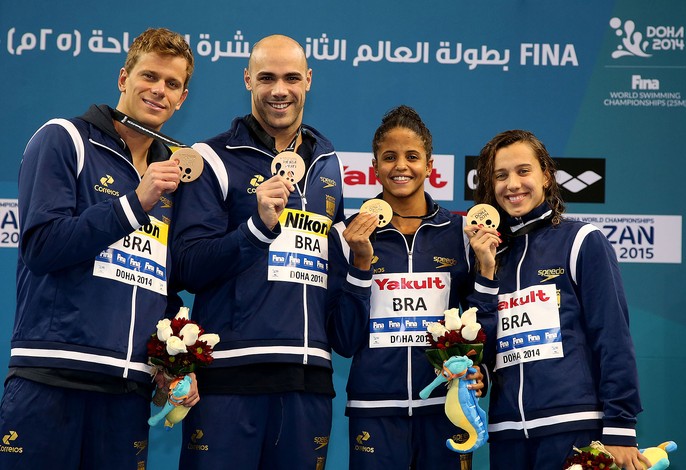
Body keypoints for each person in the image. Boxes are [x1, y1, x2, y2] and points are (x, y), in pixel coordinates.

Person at [0, 28, 198, 469]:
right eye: (149, 76)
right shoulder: (64, 138)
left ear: (182, 99)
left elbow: (157, 279)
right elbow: (42, 246)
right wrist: (134, 203)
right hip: (53, 378)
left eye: (172, 84)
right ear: (123, 77)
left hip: (127, 392)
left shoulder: (172, 176)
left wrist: (173, 361)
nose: (158, 91)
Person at [171, 34, 367, 469]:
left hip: (309, 380)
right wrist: (256, 228)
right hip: (231, 378)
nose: (280, 90)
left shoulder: (328, 164)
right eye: (267, 78)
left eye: (292, 78)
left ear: (309, 81)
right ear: (247, 80)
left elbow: (329, 271)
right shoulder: (211, 158)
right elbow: (186, 266)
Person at [327, 105, 497, 469]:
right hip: (374, 410)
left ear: (430, 164)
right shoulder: (348, 235)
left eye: (412, 156)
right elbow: (343, 341)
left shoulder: (461, 233)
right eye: (389, 157)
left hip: (446, 407)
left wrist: (476, 367)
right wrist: (360, 264)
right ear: (374, 167)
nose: (400, 166)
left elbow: (482, 324)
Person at [469, 129, 651, 470]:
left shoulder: (582, 240)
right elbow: (483, 348)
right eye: (501, 175)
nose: (513, 184)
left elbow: (612, 338)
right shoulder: (489, 256)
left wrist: (621, 427)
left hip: (575, 427)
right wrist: (486, 275)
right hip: (506, 433)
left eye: (524, 171)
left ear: (546, 177)